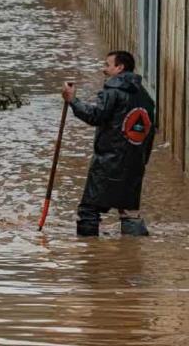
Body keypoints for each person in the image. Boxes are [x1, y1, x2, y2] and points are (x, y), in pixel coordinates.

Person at [61, 51, 156, 237]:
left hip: (108, 162)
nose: (104, 69)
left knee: (88, 210)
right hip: (135, 162)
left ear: (119, 67)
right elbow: (148, 132)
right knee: (128, 211)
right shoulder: (146, 97)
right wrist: (142, 159)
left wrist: (72, 100)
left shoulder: (113, 92)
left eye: (107, 65)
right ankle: (133, 254)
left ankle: (90, 256)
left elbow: (95, 116)